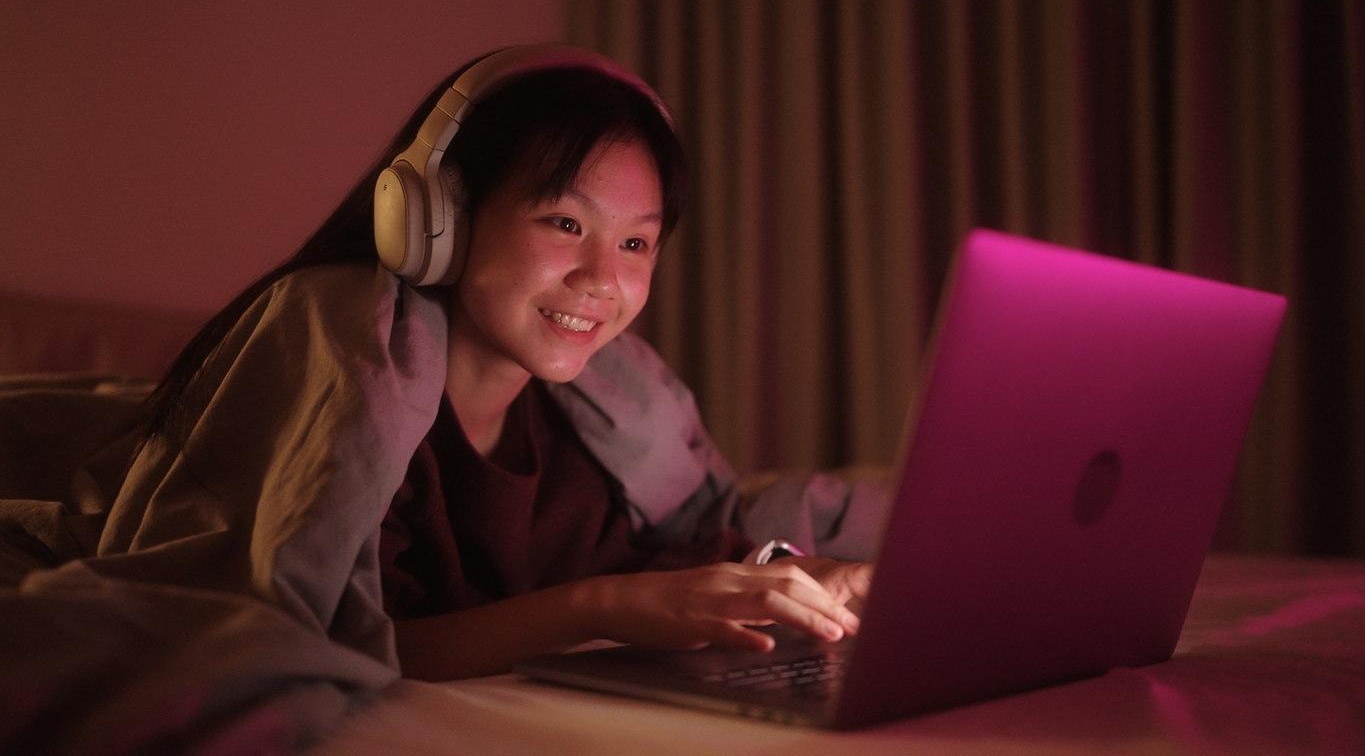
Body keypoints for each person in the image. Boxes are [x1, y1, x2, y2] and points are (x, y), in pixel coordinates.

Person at [123, 45, 877, 682]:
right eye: (564, 222)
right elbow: (327, 637)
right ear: (437, 216)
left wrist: (798, 575)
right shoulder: (346, 361)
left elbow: (674, 548)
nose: (602, 280)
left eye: (636, 243)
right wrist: (600, 608)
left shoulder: (605, 407)